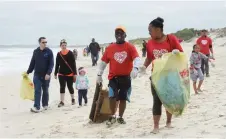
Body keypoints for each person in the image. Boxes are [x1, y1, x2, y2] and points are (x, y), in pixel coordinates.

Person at [139, 17, 183, 134]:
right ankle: (156, 126)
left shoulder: (171, 39)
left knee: (168, 100)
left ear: (158, 29)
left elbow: (181, 54)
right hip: (156, 76)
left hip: (170, 75)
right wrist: (144, 67)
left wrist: (176, 53)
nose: (149, 32)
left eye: (150, 30)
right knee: (156, 100)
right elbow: (149, 57)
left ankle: (168, 122)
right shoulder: (149, 43)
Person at [96, 25, 141, 125]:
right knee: (112, 96)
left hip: (126, 78)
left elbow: (137, 58)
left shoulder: (130, 47)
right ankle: (112, 116)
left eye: (121, 33)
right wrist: (99, 75)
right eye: (117, 33)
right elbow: (103, 62)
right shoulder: (110, 48)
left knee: (123, 98)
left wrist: (136, 68)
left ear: (125, 35)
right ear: (115, 35)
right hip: (113, 78)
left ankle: (120, 117)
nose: (119, 35)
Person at [26, 37, 54, 113]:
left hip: (46, 75)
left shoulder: (49, 51)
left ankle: (45, 104)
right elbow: (32, 63)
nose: (45, 44)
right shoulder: (35, 51)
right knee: (37, 90)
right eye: (43, 42)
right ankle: (37, 107)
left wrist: (48, 73)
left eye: (46, 42)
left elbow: (51, 64)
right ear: (39, 43)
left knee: (45, 90)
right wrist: (28, 72)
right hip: (37, 75)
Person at [54, 39, 77, 107]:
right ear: (60, 46)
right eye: (62, 45)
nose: (64, 46)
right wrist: (55, 73)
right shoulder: (59, 54)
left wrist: (75, 73)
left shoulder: (70, 53)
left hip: (70, 73)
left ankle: (73, 99)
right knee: (62, 87)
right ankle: (62, 101)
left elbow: (73, 64)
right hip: (61, 73)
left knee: (70, 87)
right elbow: (57, 64)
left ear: (66, 45)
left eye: (65, 45)